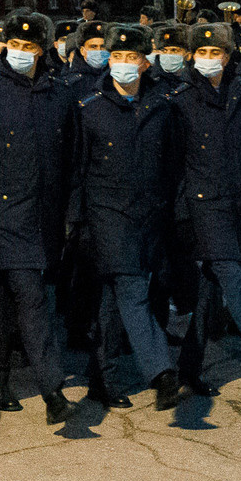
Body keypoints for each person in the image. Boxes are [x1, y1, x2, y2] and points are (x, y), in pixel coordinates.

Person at [0, 8, 74, 421]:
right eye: (16, 45)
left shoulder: (59, 95)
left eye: (30, 47)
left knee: (7, 304)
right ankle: (53, 390)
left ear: (43, 51)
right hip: (3, 217)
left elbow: (71, 161)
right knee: (32, 298)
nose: (22, 53)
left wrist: (71, 214)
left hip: (44, 218)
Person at [65, 22, 183, 409]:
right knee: (133, 290)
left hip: (149, 217)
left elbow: (172, 164)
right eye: (117, 57)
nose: (123, 64)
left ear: (146, 63)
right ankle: (162, 373)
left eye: (131, 57)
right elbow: (77, 169)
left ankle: (103, 378)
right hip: (107, 218)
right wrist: (76, 222)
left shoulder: (162, 106)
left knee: (113, 303)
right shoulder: (89, 108)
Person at [170, 20, 241, 395]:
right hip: (202, 209)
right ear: (192, 56)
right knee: (227, 279)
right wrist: (182, 214)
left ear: (229, 57)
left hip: (238, 207)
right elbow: (175, 165)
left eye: (217, 53)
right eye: (202, 53)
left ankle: (188, 371)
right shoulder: (180, 100)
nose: (209, 59)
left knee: (209, 292)